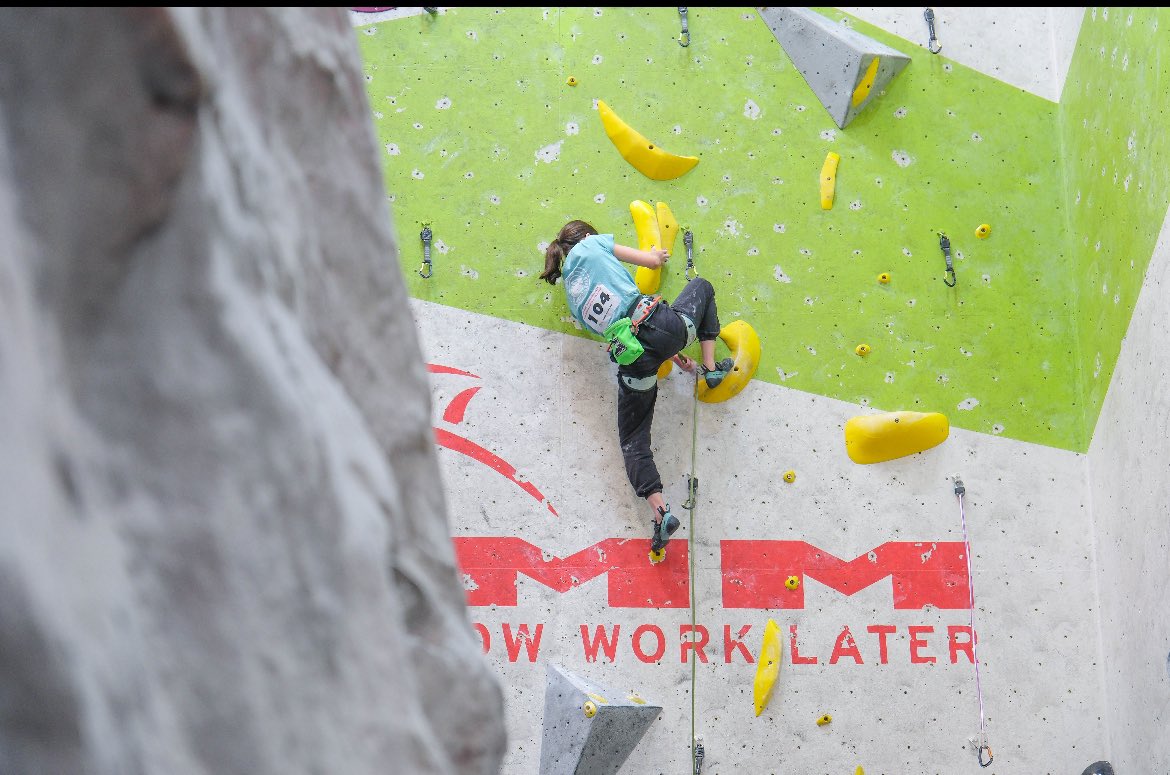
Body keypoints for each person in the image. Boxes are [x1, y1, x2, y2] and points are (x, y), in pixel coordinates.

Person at [540, 219, 732, 552]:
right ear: (586, 236)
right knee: (701, 286)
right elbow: (652, 263)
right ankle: (711, 370)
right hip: (662, 327)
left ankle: (660, 513)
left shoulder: (572, 296)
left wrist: (671, 357)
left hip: (635, 361)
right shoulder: (592, 244)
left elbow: (628, 331)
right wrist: (658, 254)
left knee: (633, 441)